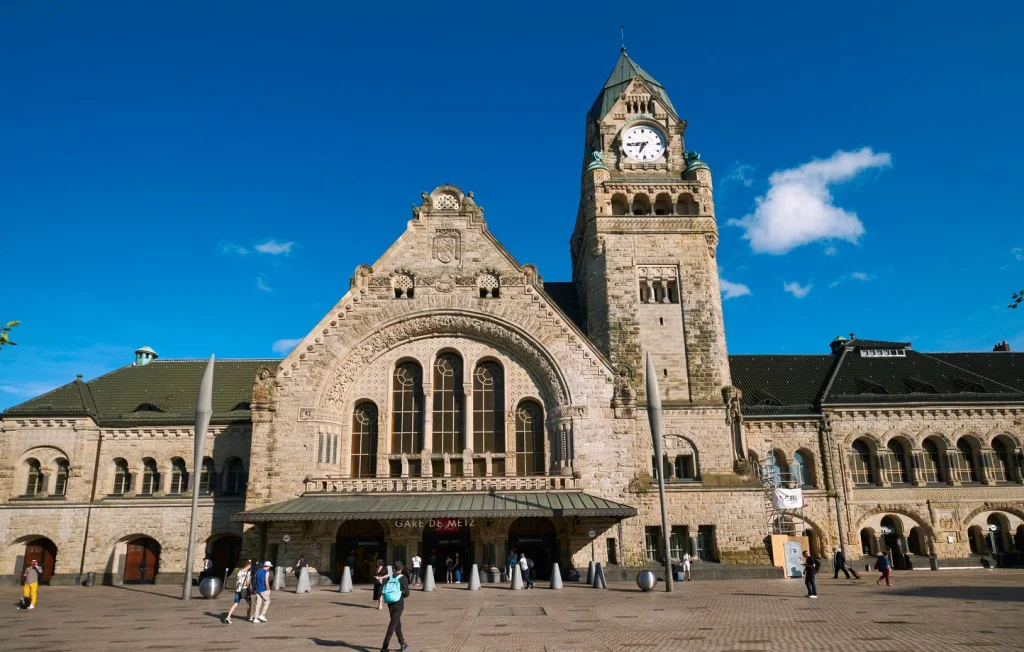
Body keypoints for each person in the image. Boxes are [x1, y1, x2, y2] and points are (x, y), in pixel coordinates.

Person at [379, 560, 411, 652]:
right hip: (398, 603)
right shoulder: (403, 578)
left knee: (397, 624)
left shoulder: (389, 578)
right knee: (392, 625)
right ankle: (384, 647)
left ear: (393, 569)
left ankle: (402, 643)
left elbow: (382, 588)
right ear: (401, 569)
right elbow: (407, 593)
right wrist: (401, 595)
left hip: (390, 603)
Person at [225, 560, 251, 624]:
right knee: (249, 603)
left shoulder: (239, 571)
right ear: (248, 565)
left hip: (238, 590)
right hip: (245, 589)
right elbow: (247, 582)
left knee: (235, 603)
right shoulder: (247, 572)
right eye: (250, 565)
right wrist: (250, 590)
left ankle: (228, 616)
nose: (250, 566)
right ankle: (248, 616)